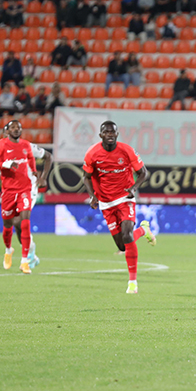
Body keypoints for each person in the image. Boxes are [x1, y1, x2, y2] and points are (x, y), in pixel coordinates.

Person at [82, 121, 156, 294]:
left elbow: (143, 172)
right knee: (123, 246)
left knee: (127, 233)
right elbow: (86, 176)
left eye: (112, 132)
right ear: (100, 135)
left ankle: (132, 282)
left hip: (125, 198)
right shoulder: (92, 153)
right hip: (106, 203)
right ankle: (144, 230)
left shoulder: (126, 150)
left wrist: (134, 188)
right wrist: (92, 195)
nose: (110, 135)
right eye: (106, 132)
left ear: (117, 134)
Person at [0, 120, 39, 274]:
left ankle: (25, 261)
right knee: (8, 224)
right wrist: (4, 165)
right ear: (7, 131)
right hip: (8, 191)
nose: (16, 130)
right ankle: (8, 250)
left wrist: (34, 171)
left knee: (25, 221)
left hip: (25, 189)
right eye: (13, 127)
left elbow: (30, 158)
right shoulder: (1, 145)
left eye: (18, 127)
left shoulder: (26, 145)